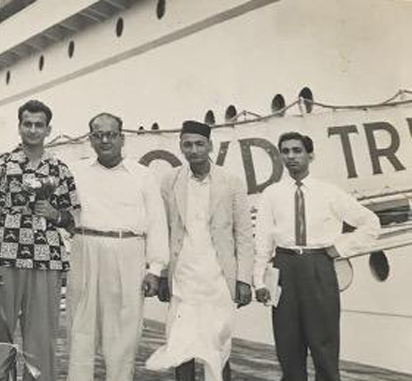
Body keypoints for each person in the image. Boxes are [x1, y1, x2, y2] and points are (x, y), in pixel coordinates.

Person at [254, 132, 380, 381]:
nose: (291, 157)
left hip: (319, 267)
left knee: (324, 345)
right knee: (288, 346)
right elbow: (263, 241)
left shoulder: (329, 192)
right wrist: (258, 281)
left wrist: (340, 248)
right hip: (284, 268)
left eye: (297, 151)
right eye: (285, 151)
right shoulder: (272, 194)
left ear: (310, 155)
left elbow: (370, 223)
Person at [0, 99, 80, 381]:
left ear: (48, 130)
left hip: (46, 260)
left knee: (41, 337)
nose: (33, 130)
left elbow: (72, 220)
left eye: (39, 125)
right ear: (20, 126)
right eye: (28, 124)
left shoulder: (60, 169)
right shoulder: (0, 164)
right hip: (5, 257)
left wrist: (55, 213)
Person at [146, 120, 255, 381]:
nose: (194, 150)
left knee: (217, 346)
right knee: (181, 346)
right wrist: (161, 274)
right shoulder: (169, 181)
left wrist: (243, 279)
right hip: (183, 277)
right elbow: (162, 231)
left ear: (210, 146)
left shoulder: (231, 182)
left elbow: (243, 235)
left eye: (199, 144)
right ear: (181, 147)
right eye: (188, 145)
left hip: (218, 279)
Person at [66, 112, 169, 381]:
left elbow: (157, 223)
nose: (104, 140)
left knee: (124, 332)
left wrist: (155, 269)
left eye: (111, 134)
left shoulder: (143, 175)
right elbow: (61, 215)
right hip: (85, 249)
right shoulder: (75, 172)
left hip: (129, 252)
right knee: (80, 328)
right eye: (98, 135)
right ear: (90, 139)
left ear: (122, 138)